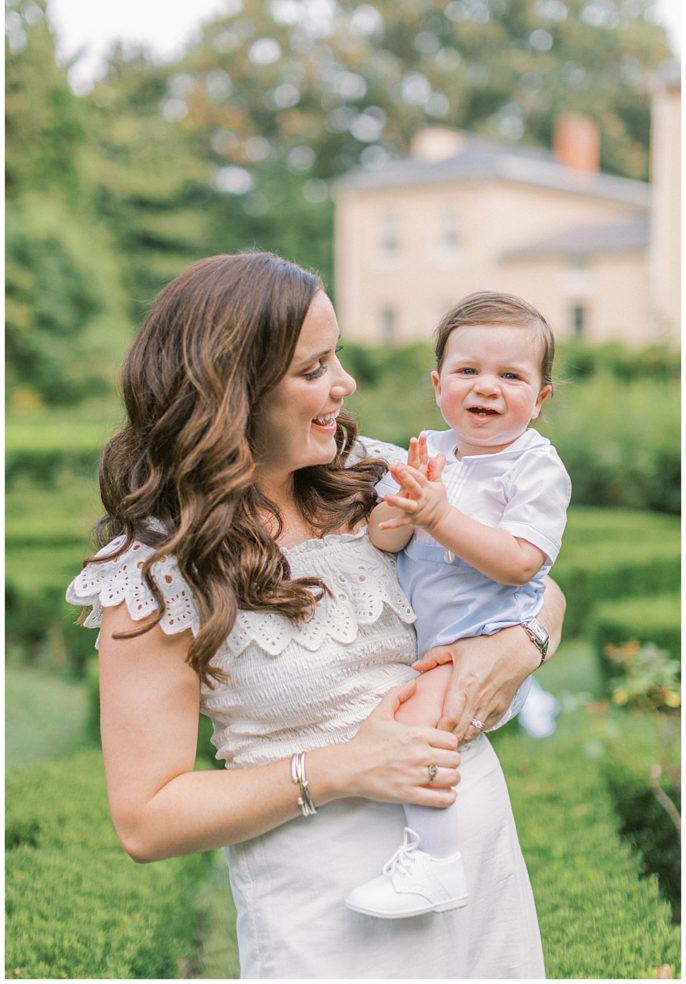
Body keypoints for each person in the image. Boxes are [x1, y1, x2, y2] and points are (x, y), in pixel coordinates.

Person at [66, 252, 565, 979]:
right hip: (330, 919)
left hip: (482, 877)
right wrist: (340, 769)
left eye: (337, 356)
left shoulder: (376, 474)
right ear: (229, 393)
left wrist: (522, 645)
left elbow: (531, 576)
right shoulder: (156, 568)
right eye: (313, 368)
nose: (345, 384)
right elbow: (146, 818)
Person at [345, 291, 571, 920]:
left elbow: (523, 562)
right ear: (439, 382)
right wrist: (401, 508)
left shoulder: (535, 467)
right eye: (469, 371)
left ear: (541, 397)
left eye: (511, 375)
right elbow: (385, 539)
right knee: (417, 720)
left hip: (487, 632)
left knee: (420, 728)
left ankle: (435, 863)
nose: (487, 388)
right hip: (433, 633)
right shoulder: (427, 452)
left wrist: (439, 515)